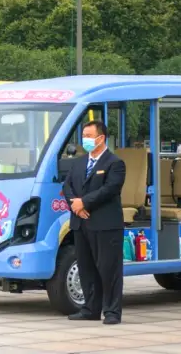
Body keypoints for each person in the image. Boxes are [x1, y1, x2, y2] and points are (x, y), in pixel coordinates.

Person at [63, 120, 127, 325]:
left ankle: (112, 312)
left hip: (105, 224)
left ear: (101, 138)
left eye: (90, 136)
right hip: (81, 223)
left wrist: (84, 203)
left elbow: (109, 189)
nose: (86, 140)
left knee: (109, 270)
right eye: (84, 136)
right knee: (86, 269)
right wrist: (75, 205)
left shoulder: (114, 163)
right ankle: (90, 309)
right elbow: (67, 186)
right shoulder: (79, 163)